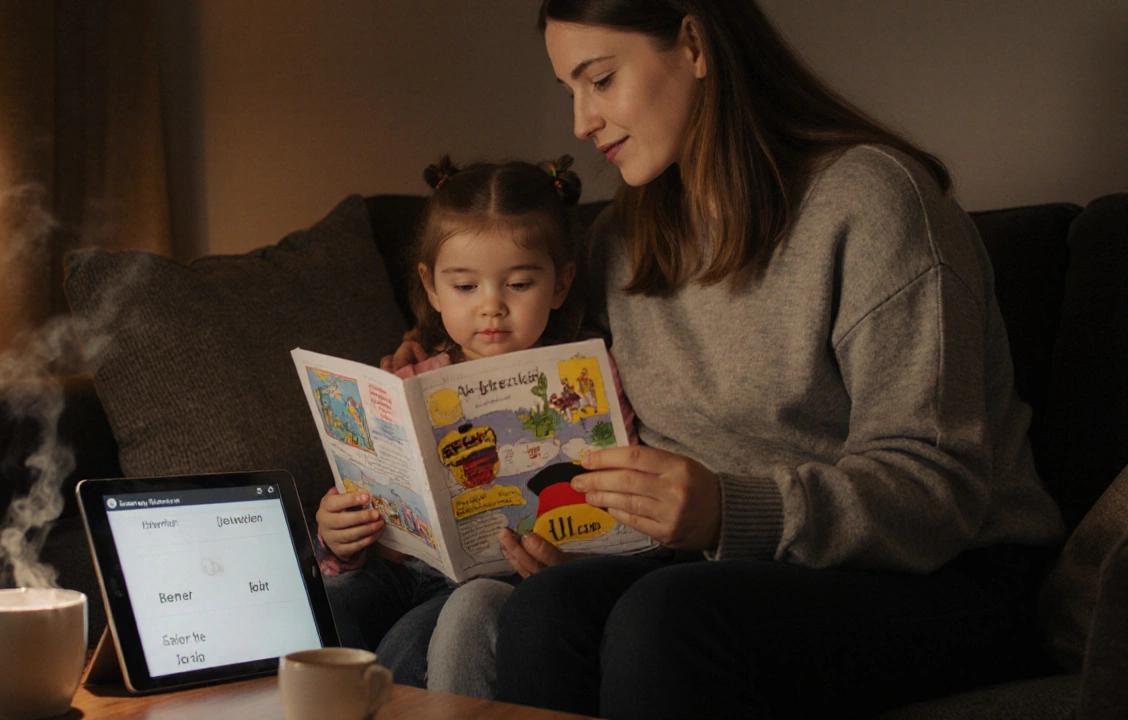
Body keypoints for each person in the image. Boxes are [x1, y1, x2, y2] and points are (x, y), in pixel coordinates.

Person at [386, 1, 1068, 717]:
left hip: (947, 574)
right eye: (571, 91)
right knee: (548, 606)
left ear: (693, 43)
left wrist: (728, 511)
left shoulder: (873, 204)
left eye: (601, 80)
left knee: (666, 617)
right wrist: (422, 346)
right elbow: (523, 336)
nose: (580, 123)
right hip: (715, 567)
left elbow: (938, 490)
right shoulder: (622, 239)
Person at [318, 152, 633, 693]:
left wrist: (574, 557)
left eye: (518, 284)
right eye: (465, 287)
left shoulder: (586, 382)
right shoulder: (407, 380)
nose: (492, 308)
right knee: (329, 598)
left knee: (409, 646)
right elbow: (373, 492)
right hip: (399, 567)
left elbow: (620, 499)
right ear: (432, 287)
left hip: (490, 575)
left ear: (560, 284)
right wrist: (339, 533)